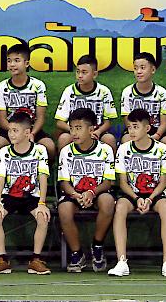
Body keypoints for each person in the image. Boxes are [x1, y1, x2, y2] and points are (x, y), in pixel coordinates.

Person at [108, 109, 166, 277]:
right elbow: (123, 183)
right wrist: (137, 198)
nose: (131, 131)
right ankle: (121, 261)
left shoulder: (162, 149)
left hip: (156, 193)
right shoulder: (124, 149)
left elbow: (164, 181)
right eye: (129, 127)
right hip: (133, 193)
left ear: (147, 128)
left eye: (135, 127)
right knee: (120, 208)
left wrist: (150, 199)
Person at [0, 112, 51, 275]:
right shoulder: (4, 152)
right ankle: (3, 260)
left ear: (27, 133)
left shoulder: (40, 150)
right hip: (10, 196)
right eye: (10, 130)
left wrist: (42, 203)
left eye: (15, 130)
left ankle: (36, 259)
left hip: (32, 196)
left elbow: (43, 177)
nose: (11, 134)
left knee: (43, 217)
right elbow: (0, 178)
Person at [57, 108, 115, 273]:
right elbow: (64, 182)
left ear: (91, 130)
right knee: (64, 209)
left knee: (108, 202)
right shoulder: (66, 151)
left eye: (79, 128)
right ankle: (77, 253)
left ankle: (97, 245)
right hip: (74, 193)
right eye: (72, 128)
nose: (74, 133)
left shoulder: (105, 150)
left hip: (97, 192)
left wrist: (92, 192)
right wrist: (75, 194)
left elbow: (108, 181)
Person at [0, 43, 56, 166]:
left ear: (26, 63)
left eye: (17, 60)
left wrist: (31, 134)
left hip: (32, 129)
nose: (12, 64)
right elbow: (2, 118)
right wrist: (15, 132)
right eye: (9, 61)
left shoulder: (38, 86)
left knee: (49, 146)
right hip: (9, 129)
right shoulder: (1, 87)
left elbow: (41, 117)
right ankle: (2, 177)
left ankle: (42, 178)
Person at [120, 52, 166, 186]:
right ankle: (130, 185)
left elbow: (164, 122)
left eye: (142, 67)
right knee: (125, 141)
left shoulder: (161, 92)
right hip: (134, 131)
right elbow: (127, 121)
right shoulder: (127, 92)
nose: (138, 72)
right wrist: (139, 135)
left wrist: (156, 136)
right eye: (136, 68)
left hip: (156, 131)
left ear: (152, 70)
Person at [55, 54, 118, 152]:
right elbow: (60, 122)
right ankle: (62, 166)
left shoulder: (104, 91)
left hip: (96, 131)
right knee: (64, 138)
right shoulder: (69, 91)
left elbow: (107, 122)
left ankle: (111, 166)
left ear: (94, 74)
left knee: (109, 139)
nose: (80, 76)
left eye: (84, 72)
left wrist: (98, 131)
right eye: (78, 72)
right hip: (74, 132)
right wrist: (74, 131)